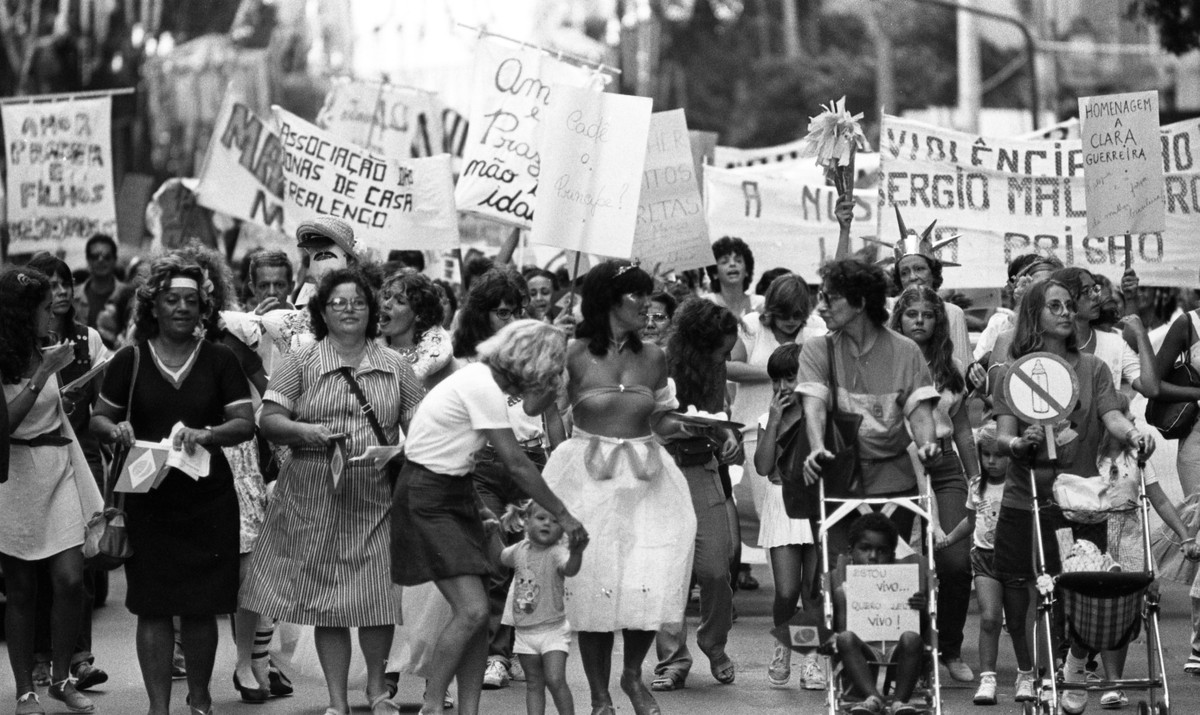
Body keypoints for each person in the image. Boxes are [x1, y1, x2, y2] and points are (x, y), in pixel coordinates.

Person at [238, 268, 421, 715]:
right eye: (338, 302)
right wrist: (306, 431)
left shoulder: (396, 365)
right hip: (315, 493)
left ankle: (378, 692)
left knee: (377, 595)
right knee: (330, 601)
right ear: (321, 311)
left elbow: (422, 429)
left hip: (377, 494)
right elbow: (269, 420)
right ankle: (337, 702)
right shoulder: (302, 361)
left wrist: (397, 449)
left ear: (371, 310)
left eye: (358, 301)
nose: (349, 309)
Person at [392, 319, 587, 715]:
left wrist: (478, 507)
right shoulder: (482, 384)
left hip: (452, 491)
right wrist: (564, 515)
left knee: (478, 616)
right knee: (473, 610)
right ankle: (431, 705)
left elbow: (453, 449)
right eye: (547, 375)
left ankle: (469, 709)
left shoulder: (482, 381)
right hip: (429, 496)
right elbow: (516, 463)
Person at [91, 255, 255, 715]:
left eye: (191, 300)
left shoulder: (221, 359)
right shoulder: (131, 359)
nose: (182, 307)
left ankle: (200, 698)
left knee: (202, 605)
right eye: (171, 299)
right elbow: (99, 419)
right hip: (149, 498)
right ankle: (158, 707)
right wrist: (114, 430)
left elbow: (245, 423)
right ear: (153, 307)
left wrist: (208, 434)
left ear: (203, 307)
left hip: (208, 500)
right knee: (154, 605)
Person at [540, 260, 698, 715]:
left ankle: (633, 674)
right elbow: (543, 407)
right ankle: (600, 694)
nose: (647, 305)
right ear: (608, 300)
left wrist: (701, 429)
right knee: (595, 586)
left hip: (649, 477)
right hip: (589, 480)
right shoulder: (571, 352)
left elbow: (662, 417)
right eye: (637, 296)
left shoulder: (654, 355)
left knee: (650, 579)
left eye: (648, 295)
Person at [989, 279, 1152, 715]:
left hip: (1081, 501)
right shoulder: (1013, 370)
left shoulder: (1095, 368)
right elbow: (1002, 438)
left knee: (1083, 591)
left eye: (1067, 305)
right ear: (1034, 315)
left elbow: (1112, 415)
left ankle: (1076, 664)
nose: (1064, 312)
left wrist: (1134, 435)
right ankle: (1036, 676)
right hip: (1028, 499)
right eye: (1053, 306)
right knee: (1031, 591)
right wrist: (1017, 446)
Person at [452, 268, 564, 690]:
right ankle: (494, 654)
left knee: (530, 560)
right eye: (501, 312)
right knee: (497, 559)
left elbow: (550, 411)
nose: (510, 318)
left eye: (516, 310)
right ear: (484, 314)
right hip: (482, 462)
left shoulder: (537, 349)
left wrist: (560, 462)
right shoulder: (465, 355)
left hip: (530, 461)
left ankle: (513, 644)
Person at [2, 266, 104, 715]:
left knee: (69, 579)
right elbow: (5, 425)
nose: (53, 314)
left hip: (58, 466)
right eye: (45, 308)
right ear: (24, 313)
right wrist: (43, 375)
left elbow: (44, 408)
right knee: (22, 589)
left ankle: (62, 678)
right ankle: (26, 691)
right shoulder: (20, 356)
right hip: (15, 476)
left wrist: (61, 395)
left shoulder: (46, 349)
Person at [799, 258, 941, 551]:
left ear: (860, 303)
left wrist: (927, 445)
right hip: (840, 480)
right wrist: (816, 448)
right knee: (842, 577)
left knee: (892, 574)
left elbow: (921, 415)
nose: (820, 307)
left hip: (896, 483)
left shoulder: (905, 351)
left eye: (831, 298)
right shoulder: (817, 349)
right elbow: (813, 407)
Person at [24, 252, 112, 694]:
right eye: (51, 285)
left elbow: (106, 399)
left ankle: (80, 657)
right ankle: (41, 658)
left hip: (81, 458)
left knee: (81, 560)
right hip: (31, 463)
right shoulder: (20, 342)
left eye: (64, 284)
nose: (60, 292)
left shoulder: (88, 338)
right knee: (38, 565)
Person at [887, 285, 978, 684]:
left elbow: (962, 429)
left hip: (943, 464)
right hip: (896, 464)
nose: (920, 321)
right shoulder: (885, 361)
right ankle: (909, 651)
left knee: (956, 563)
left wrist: (977, 478)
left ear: (938, 321)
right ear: (899, 319)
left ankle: (950, 649)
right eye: (912, 315)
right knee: (900, 560)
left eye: (927, 315)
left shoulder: (951, 365)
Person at [651, 299, 742, 692]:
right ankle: (673, 659)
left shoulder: (716, 368)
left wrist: (728, 435)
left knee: (716, 567)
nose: (726, 357)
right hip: (662, 471)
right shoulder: (658, 363)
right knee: (667, 573)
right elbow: (653, 421)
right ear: (700, 345)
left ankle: (713, 641)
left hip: (704, 469)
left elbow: (718, 416)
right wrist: (691, 427)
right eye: (722, 350)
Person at [728, 273, 827, 545]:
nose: (791, 321)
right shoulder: (751, 325)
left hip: (805, 429)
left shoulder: (816, 327)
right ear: (771, 309)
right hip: (756, 428)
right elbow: (729, 367)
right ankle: (784, 583)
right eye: (784, 314)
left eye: (797, 314)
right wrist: (779, 372)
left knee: (808, 516)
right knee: (770, 512)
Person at [751, 343, 824, 690]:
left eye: (790, 379)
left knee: (812, 590)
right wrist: (776, 419)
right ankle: (784, 644)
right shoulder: (769, 419)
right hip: (782, 505)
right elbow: (764, 467)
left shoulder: (820, 415)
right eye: (776, 380)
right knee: (786, 591)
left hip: (814, 503)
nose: (782, 388)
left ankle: (810, 658)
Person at [829, 512, 928, 715]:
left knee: (912, 637)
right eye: (865, 549)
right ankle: (873, 698)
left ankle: (899, 702)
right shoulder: (843, 591)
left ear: (892, 555)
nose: (873, 557)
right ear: (851, 552)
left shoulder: (905, 587)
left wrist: (922, 609)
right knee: (845, 638)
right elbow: (842, 635)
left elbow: (923, 634)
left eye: (881, 551)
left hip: (898, 652)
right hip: (864, 655)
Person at [500, 501, 588, 715]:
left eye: (555, 520)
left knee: (556, 680)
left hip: (553, 631)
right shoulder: (519, 550)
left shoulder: (556, 552)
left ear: (562, 529)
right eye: (541, 518)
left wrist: (577, 552)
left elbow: (570, 569)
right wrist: (493, 533)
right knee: (533, 683)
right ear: (527, 522)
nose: (548, 523)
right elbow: (501, 557)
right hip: (524, 633)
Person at [378, 269, 454, 396]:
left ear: (419, 314)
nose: (387, 304)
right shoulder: (367, 347)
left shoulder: (439, 357)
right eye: (387, 296)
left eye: (400, 301)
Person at [75, 233, 126, 328]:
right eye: (95, 256)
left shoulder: (128, 295)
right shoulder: (73, 297)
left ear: (115, 260)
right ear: (88, 260)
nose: (100, 260)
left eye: (107, 257)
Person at [706, 236, 762, 318]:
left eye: (738, 261)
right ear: (715, 273)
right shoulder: (705, 304)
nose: (732, 264)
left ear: (747, 271)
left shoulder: (760, 304)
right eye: (724, 262)